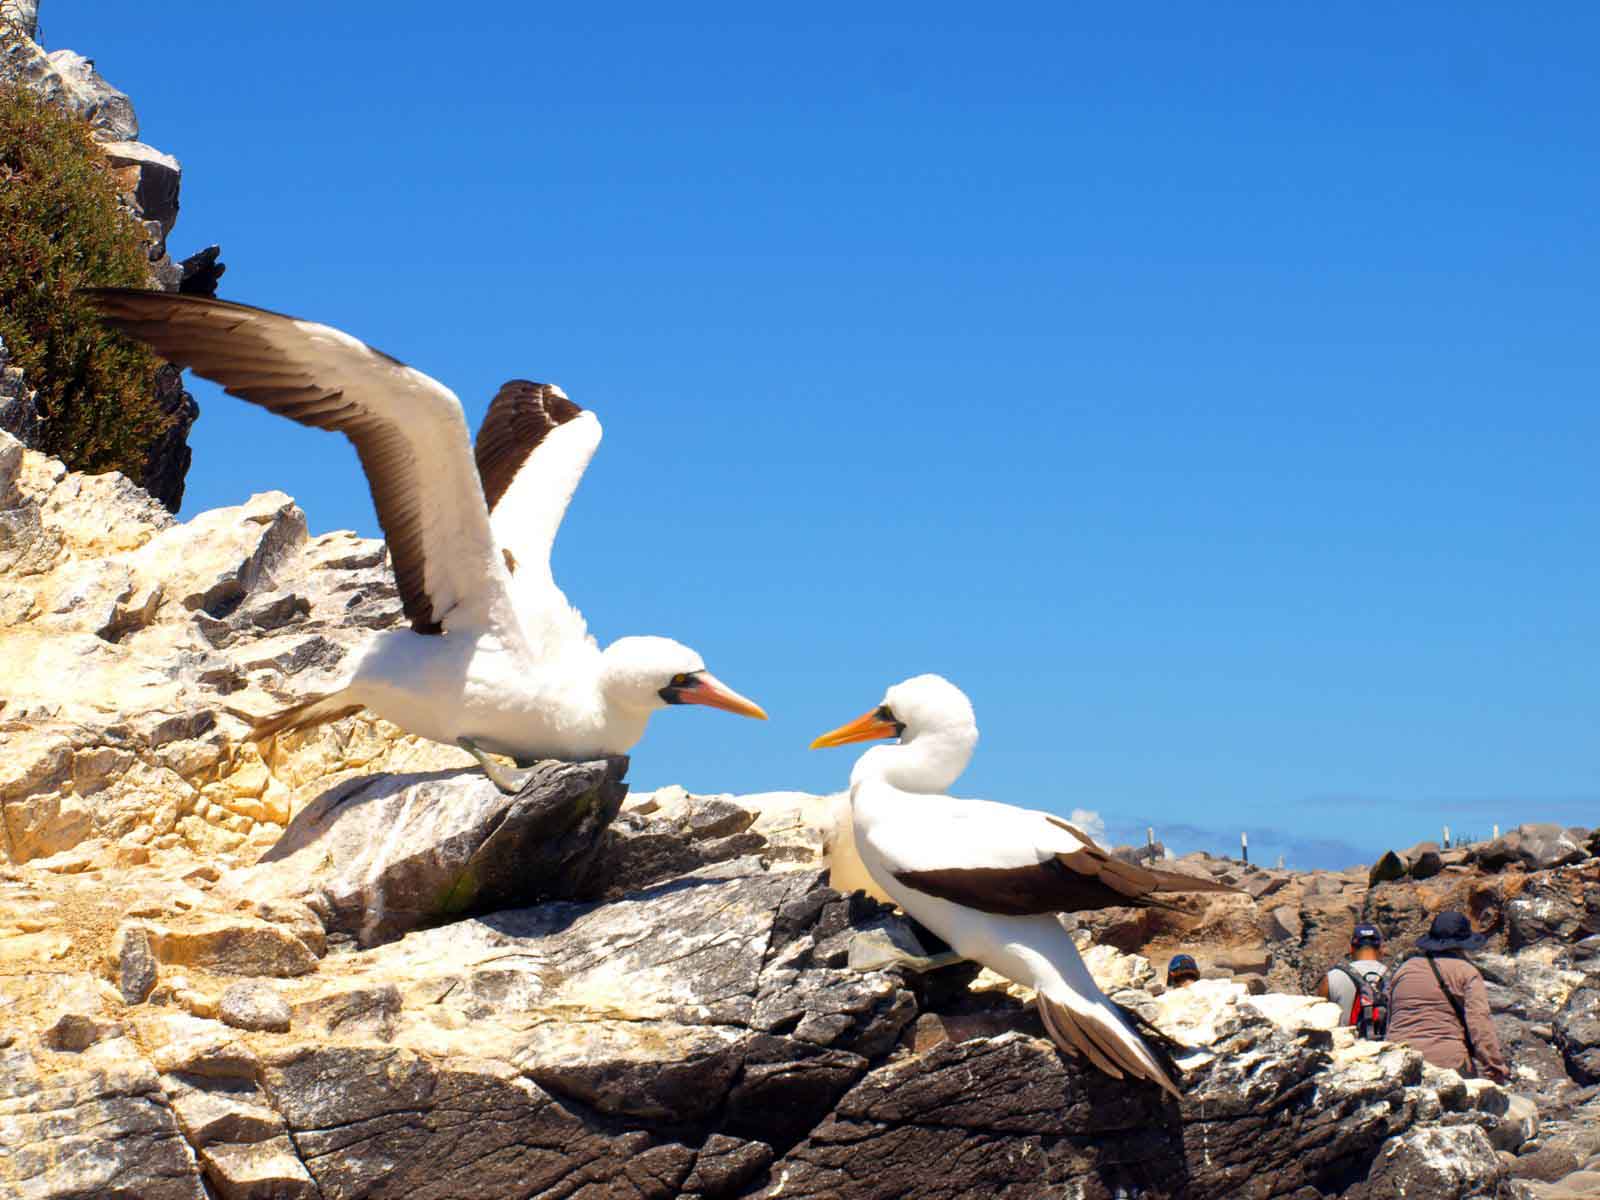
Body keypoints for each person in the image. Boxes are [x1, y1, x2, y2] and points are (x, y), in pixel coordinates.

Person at [1384, 911, 1509, 1082]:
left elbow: (1390, 1018)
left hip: (1398, 1059)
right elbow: (1479, 1022)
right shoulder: (1466, 972)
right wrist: (1494, 1066)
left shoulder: (1404, 969)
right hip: (1447, 1060)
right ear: (1463, 944)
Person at [1316, 922, 1388, 1033]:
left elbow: (1319, 1022)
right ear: (1380, 949)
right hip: (1386, 1048)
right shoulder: (1394, 978)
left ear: (1351, 949)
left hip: (1346, 1048)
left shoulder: (1331, 978)